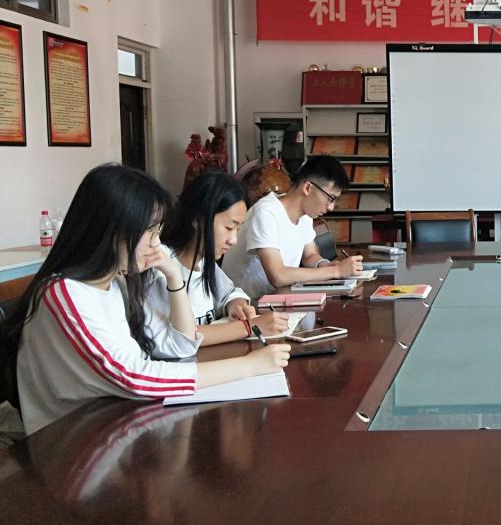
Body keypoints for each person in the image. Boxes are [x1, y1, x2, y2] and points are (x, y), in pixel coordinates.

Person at [0, 164, 290, 436]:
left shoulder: (115, 284)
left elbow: (179, 344)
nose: (156, 244)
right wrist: (247, 366)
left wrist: (174, 278)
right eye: (150, 232)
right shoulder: (64, 293)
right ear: (114, 230)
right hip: (69, 441)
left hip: (113, 425)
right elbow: (134, 377)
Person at [150, 171, 289, 350]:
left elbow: (230, 292)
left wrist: (236, 304)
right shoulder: (160, 264)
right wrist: (248, 327)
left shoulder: (203, 261)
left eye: (238, 229)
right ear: (197, 219)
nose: (233, 240)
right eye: (229, 228)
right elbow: (177, 337)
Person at [222, 156, 363, 300]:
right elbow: (278, 276)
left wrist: (326, 265)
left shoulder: (305, 216)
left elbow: (309, 256)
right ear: (308, 188)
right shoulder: (266, 213)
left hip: (277, 299)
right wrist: (336, 271)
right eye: (330, 198)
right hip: (244, 304)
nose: (331, 207)